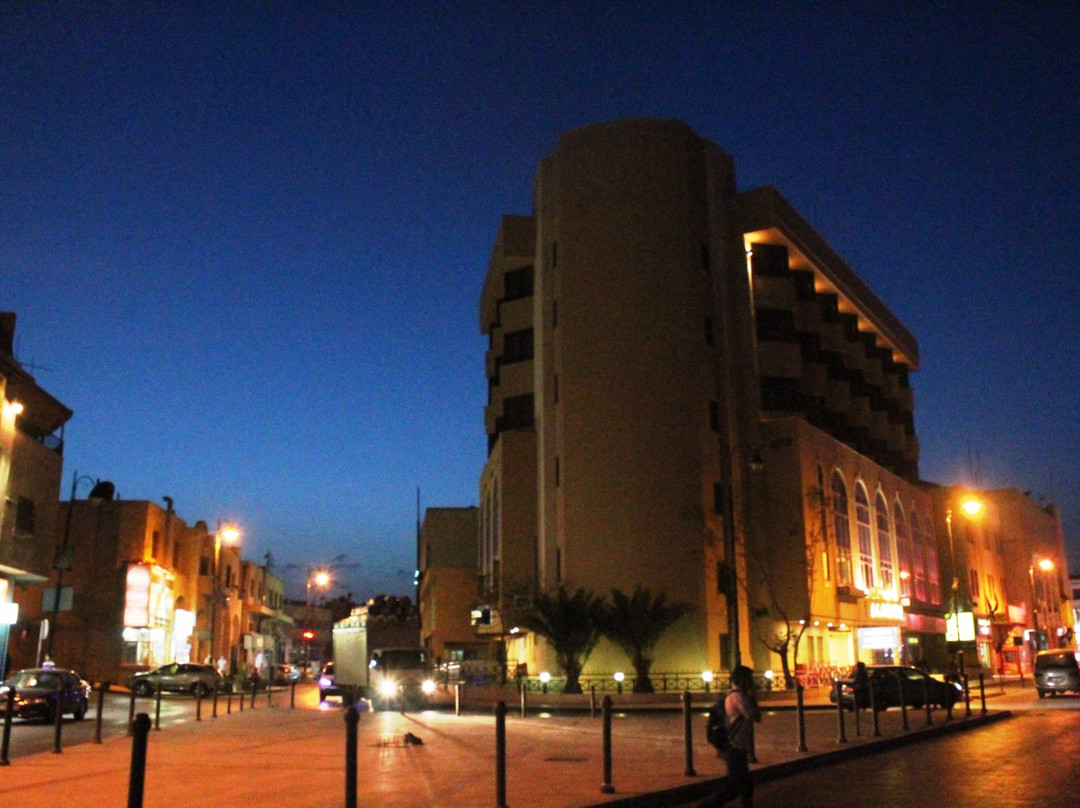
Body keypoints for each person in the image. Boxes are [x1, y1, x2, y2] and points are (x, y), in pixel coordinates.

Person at [699, 665, 762, 808]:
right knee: (736, 787)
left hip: (735, 747)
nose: (752, 682)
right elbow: (756, 716)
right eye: (749, 679)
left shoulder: (733, 696)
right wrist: (753, 696)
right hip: (733, 747)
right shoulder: (738, 697)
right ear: (742, 680)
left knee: (744, 786)